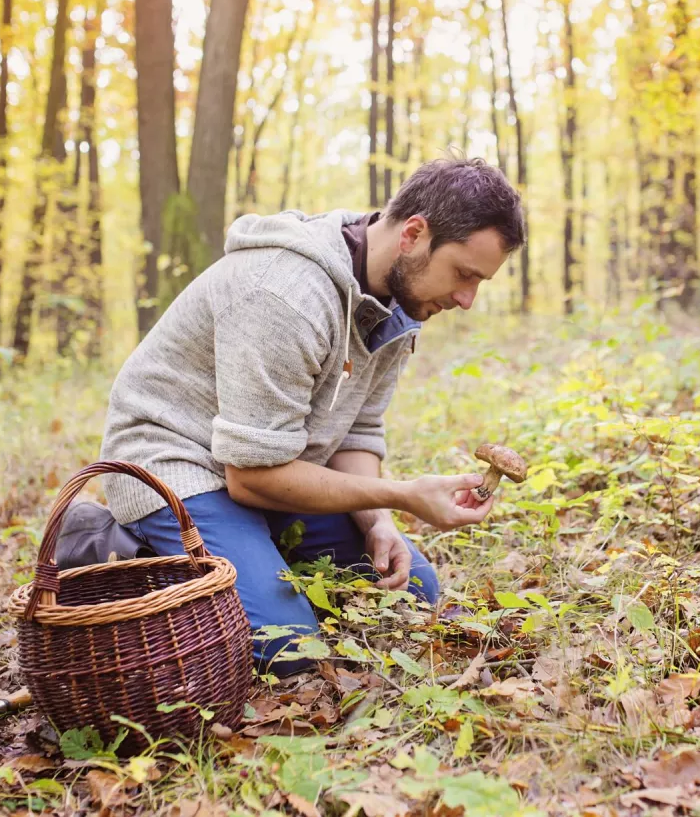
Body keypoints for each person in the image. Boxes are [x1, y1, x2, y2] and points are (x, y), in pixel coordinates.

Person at [64, 158, 525, 675]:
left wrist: (379, 523)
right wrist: (403, 493)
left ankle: (251, 555)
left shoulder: (402, 299)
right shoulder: (284, 294)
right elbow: (252, 475)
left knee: (414, 591)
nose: (467, 299)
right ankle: (121, 548)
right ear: (414, 234)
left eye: (479, 281)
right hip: (178, 467)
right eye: (464, 274)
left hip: (274, 468)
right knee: (289, 651)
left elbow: (359, 428)